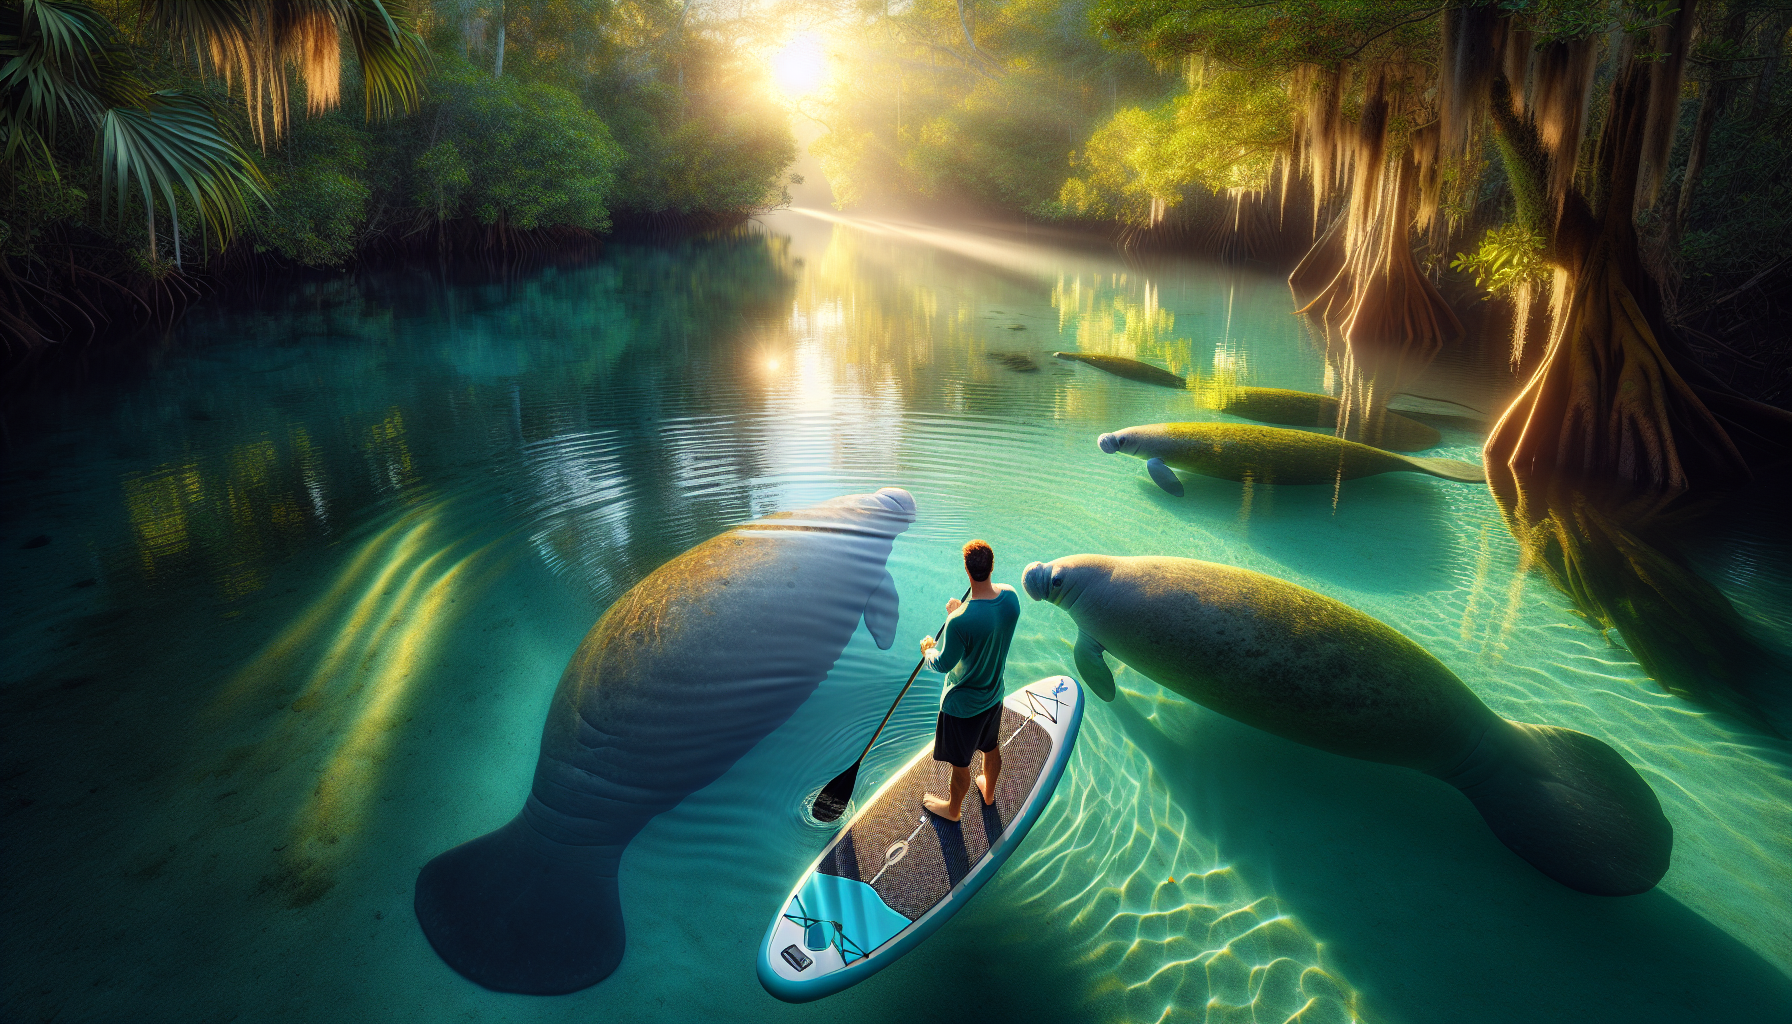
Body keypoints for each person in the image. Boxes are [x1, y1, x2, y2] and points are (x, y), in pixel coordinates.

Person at [918, 539, 1021, 821]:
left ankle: (953, 810)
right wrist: (958, 612)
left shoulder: (960, 622)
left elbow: (943, 664)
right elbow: (987, 622)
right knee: (990, 747)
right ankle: (988, 792)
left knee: (960, 765)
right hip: (993, 696)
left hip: (962, 709)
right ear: (992, 566)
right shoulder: (1011, 599)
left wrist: (929, 650)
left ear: (967, 570)